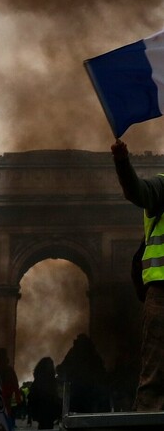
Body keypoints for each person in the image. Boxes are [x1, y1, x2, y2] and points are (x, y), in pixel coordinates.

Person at [111, 139, 164, 411]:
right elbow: (136, 191)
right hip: (162, 293)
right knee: (155, 376)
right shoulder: (162, 185)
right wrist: (122, 163)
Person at [56, 333, 110, 413]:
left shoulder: (75, 353)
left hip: (79, 389)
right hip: (88, 390)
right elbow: (100, 370)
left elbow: (64, 367)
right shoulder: (91, 353)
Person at [28, 357, 61, 430]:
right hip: (49, 411)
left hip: (41, 411)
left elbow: (32, 396)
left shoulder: (38, 380)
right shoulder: (52, 381)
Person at [0, 348, 22, 427]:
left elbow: (15, 386)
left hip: (1, 401)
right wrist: (18, 400)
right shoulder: (9, 370)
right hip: (5, 401)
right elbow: (15, 386)